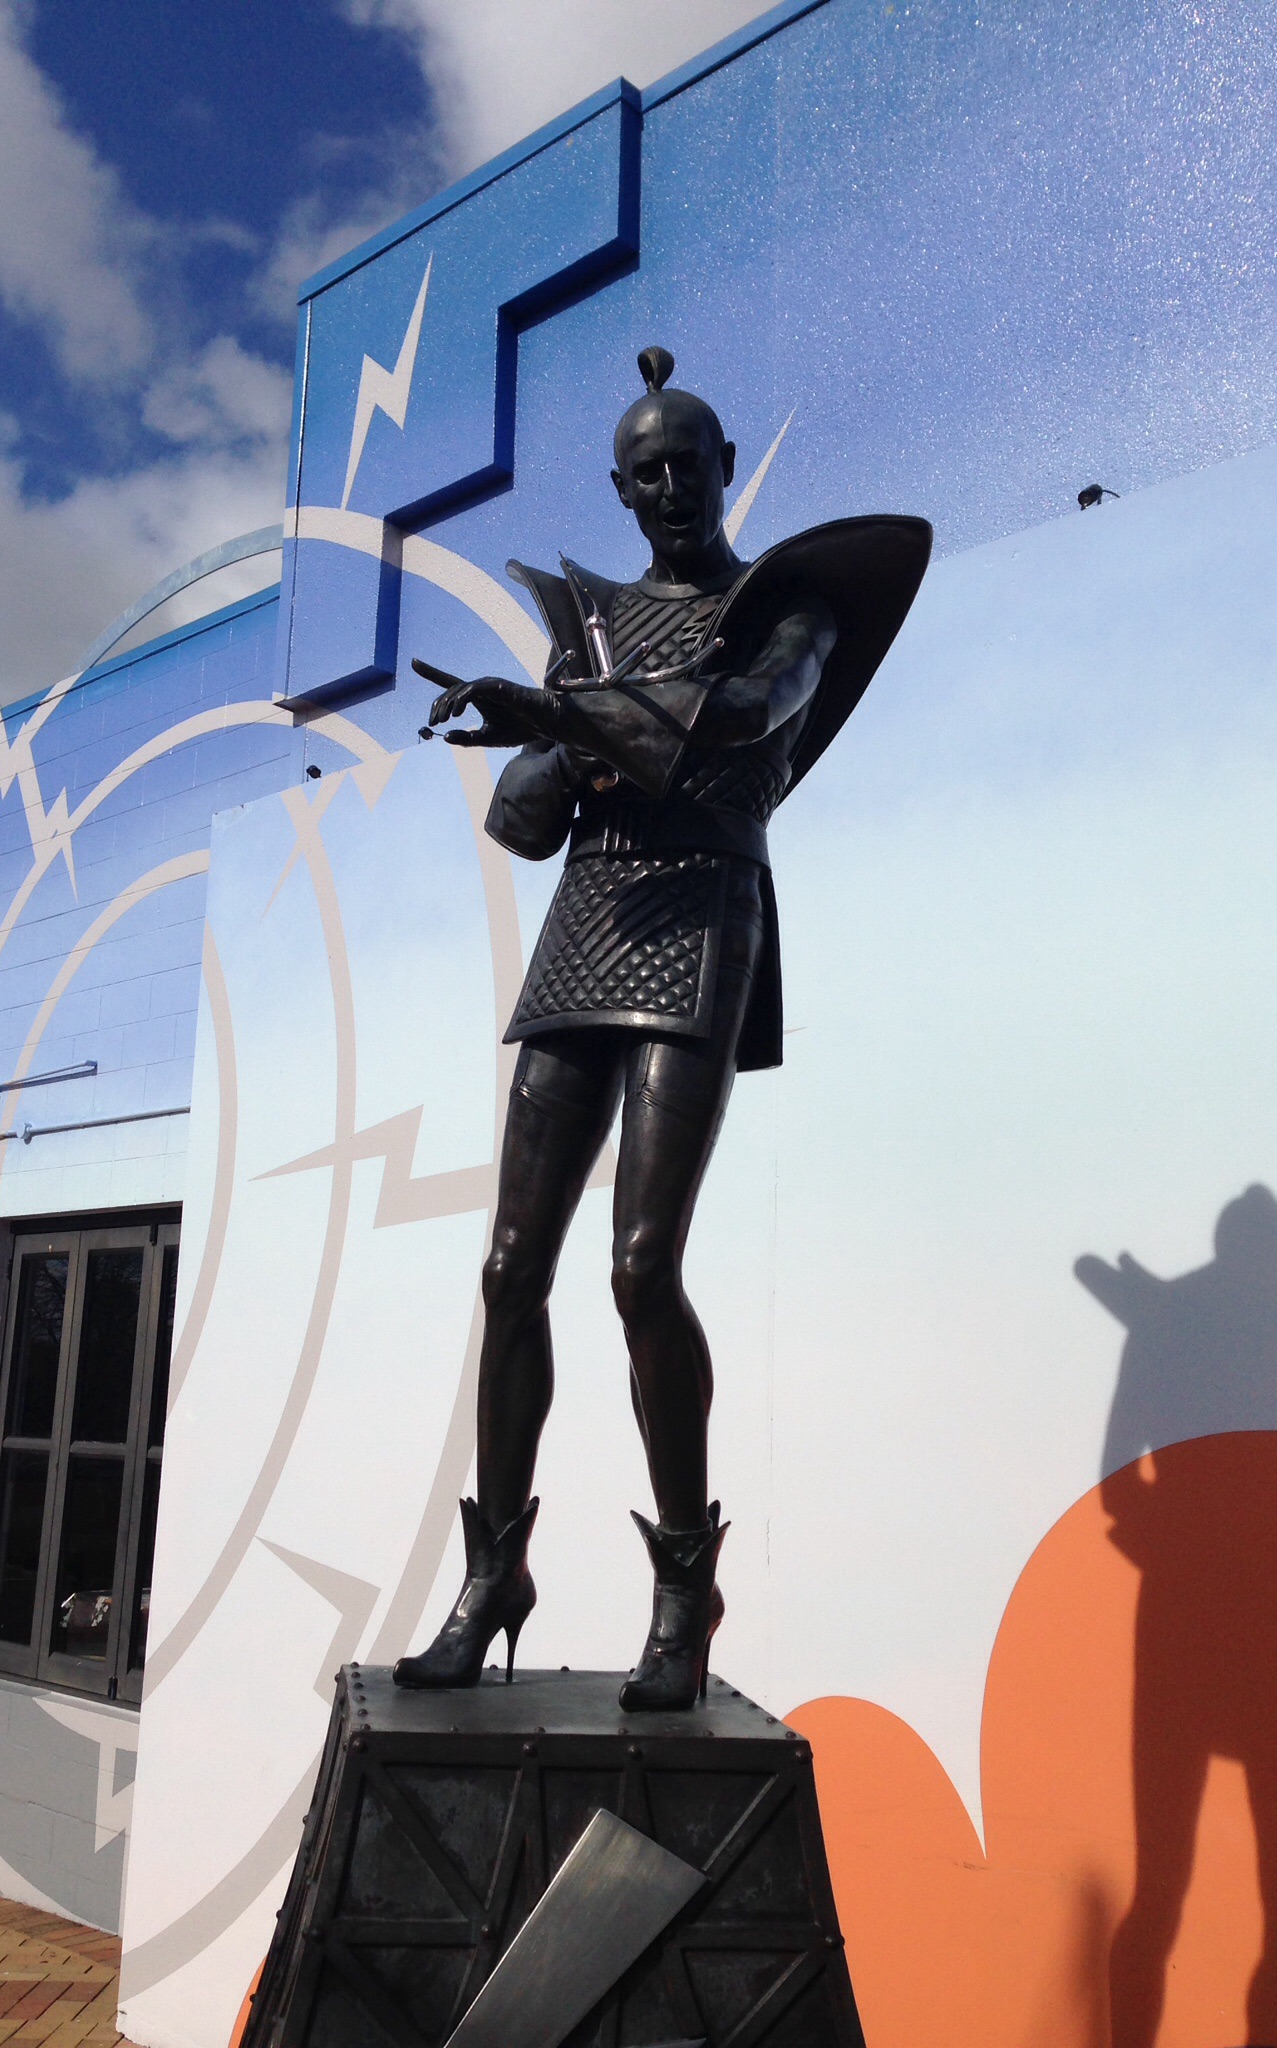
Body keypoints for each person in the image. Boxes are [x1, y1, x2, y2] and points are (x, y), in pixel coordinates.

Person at [394, 347, 929, 1709]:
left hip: (704, 915)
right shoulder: (590, 630)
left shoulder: (784, 606)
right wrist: (559, 742)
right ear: (622, 489)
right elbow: (523, 825)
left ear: (727, 465)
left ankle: (684, 1586)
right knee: (510, 1266)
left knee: (640, 1266)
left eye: (691, 461)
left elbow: (742, 717)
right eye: (648, 471)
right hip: (588, 925)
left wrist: (557, 714)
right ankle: (495, 1573)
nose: (673, 485)